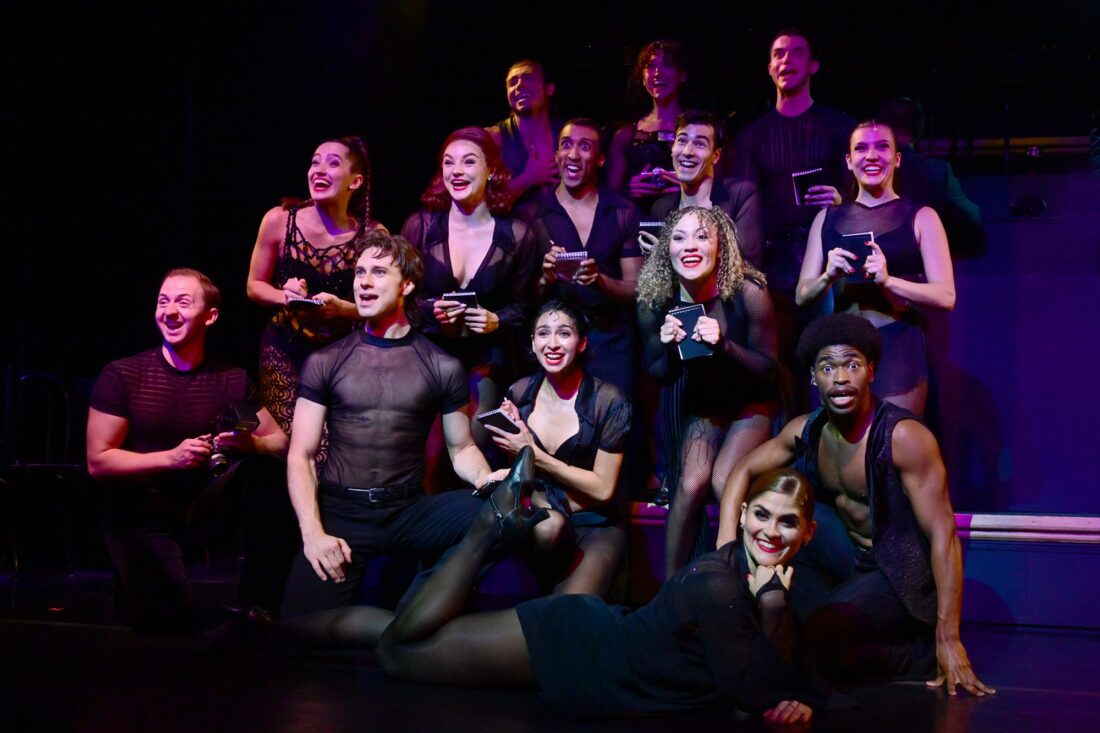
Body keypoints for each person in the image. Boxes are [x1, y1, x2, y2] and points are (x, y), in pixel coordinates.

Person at [356, 463, 823, 724]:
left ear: (809, 532)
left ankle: (311, 631)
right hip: (578, 650)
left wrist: (776, 609)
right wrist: (773, 606)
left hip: (596, 648)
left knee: (399, 637)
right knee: (396, 653)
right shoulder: (718, 581)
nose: (771, 532)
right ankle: (486, 527)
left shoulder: (774, 580)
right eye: (762, 515)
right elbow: (751, 700)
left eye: (787, 522)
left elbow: (771, 677)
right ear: (741, 515)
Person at [717, 314, 996, 696]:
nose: (841, 378)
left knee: (812, 645)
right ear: (814, 378)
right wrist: (725, 545)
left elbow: (943, 535)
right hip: (846, 556)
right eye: (827, 368)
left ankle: (917, 656)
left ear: (871, 372)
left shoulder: (903, 437)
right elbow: (742, 470)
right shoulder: (808, 429)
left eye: (852, 365)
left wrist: (948, 635)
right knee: (789, 543)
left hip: (897, 572)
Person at [279, 232, 503, 620]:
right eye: (360, 272)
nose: (364, 282)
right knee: (299, 629)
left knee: (499, 513)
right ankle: (389, 626)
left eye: (379, 272)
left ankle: (421, 612)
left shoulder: (441, 365)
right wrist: (313, 533)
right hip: (342, 512)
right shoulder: (326, 361)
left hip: (408, 511)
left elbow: (461, 448)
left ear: (408, 284)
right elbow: (302, 455)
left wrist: (485, 479)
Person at [87, 268, 296, 633]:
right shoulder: (123, 374)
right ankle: (140, 586)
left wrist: (251, 443)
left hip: (201, 509)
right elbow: (98, 460)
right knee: (169, 623)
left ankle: (260, 604)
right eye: (163, 302)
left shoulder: (231, 378)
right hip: (141, 514)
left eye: (183, 302)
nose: (169, 311)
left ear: (210, 316)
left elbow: (280, 441)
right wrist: (172, 458)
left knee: (267, 470)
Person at [636, 207, 778, 577]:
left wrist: (724, 346)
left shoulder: (749, 292)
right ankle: (671, 589)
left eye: (702, 237)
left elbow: (769, 371)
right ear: (666, 249)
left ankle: (736, 580)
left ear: (721, 246)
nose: (690, 246)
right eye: (679, 237)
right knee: (690, 483)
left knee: (722, 480)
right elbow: (658, 373)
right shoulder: (656, 300)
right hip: (706, 403)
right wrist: (668, 348)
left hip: (751, 400)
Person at [795, 121, 956, 416]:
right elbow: (802, 295)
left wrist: (889, 281)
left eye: (882, 147)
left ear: (897, 158)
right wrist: (827, 276)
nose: (871, 156)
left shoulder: (922, 217)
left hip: (897, 344)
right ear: (848, 160)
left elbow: (945, 296)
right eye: (861, 148)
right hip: (842, 347)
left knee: (894, 437)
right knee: (843, 443)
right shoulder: (826, 218)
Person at [732, 29, 855, 413]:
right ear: (769, 68)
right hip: (774, 264)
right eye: (779, 54)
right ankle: (793, 443)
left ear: (813, 65)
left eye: (796, 52)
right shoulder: (752, 136)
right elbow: (743, 206)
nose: (786, 60)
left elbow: (863, 197)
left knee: (832, 360)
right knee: (783, 368)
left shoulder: (839, 128)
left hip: (829, 260)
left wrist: (841, 199)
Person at [401, 127, 540, 460]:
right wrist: (430, 309)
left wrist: (496, 320)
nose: (456, 171)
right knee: (430, 455)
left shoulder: (517, 235)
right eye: (448, 163)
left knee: (469, 445)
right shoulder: (420, 228)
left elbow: (525, 308)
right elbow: (401, 299)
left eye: (468, 161)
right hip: (429, 353)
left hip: (486, 358)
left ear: (490, 169)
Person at [484, 300, 632, 598]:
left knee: (567, 612)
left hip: (592, 523)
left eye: (564, 333)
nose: (552, 344)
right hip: (539, 521)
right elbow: (521, 475)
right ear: (532, 343)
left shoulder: (609, 401)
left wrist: (534, 453)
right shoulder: (520, 392)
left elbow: (603, 490)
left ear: (582, 343)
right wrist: (515, 445)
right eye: (543, 333)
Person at [246, 136, 386, 441]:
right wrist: (285, 296)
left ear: (355, 181)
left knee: (341, 444)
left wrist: (345, 309)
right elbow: (254, 286)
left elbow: (385, 306)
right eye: (315, 162)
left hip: (342, 358)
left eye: (333, 163)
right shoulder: (279, 220)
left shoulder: (372, 235)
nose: (319, 169)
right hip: (284, 350)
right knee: (303, 442)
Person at [531, 118, 643, 395]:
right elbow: (521, 298)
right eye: (566, 145)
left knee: (615, 416)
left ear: (600, 159)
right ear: (556, 155)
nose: (573, 154)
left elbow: (635, 288)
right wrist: (546, 279)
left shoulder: (622, 211)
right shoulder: (533, 215)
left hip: (611, 341)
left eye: (584, 146)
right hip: (557, 344)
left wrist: (599, 280)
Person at [646, 110, 764, 268]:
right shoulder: (661, 208)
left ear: (715, 156)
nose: (688, 152)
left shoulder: (740, 195)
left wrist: (669, 256)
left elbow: (749, 267)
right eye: (682, 141)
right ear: (672, 148)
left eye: (700, 144)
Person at [875, 97, 987, 260]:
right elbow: (972, 216)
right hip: (926, 262)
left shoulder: (866, 170)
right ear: (919, 127)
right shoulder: (937, 170)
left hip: (877, 261)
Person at [607, 40, 688, 212]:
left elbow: (721, 189)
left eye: (667, 65)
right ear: (643, 78)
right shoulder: (625, 135)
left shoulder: (702, 131)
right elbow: (608, 196)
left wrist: (691, 186)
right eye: (650, 66)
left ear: (682, 74)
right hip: (639, 223)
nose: (657, 73)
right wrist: (628, 191)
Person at [486, 59, 564, 222]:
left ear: (549, 89)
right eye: (512, 82)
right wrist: (528, 179)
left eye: (528, 78)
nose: (519, 85)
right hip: (509, 234)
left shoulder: (567, 135)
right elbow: (474, 203)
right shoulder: (492, 139)